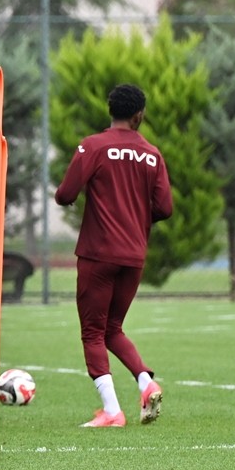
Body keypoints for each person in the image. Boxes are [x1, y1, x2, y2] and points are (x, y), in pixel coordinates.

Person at [55, 83, 172, 428]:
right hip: (133, 255)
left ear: (111, 112)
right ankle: (145, 382)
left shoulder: (94, 146)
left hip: (98, 252)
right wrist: (135, 217)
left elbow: (65, 194)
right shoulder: (152, 154)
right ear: (140, 116)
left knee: (93, 331)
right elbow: (164, 207)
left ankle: (112, 411)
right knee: (113, 328)